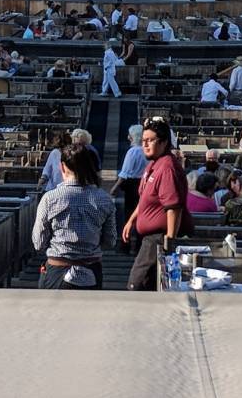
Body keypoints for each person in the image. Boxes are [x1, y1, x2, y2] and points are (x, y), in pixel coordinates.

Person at [34, 142, 118, 289]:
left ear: (62, 167)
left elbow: (39, 242)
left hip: (56, 271)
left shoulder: (50, 198)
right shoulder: (104, 199)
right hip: (91, 271)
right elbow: (110, 241)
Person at [122, 118, 189, 291]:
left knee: (136, 285)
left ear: (164, 142)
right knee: (144, 285)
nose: (145, 144)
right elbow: (146, 198)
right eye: (143, 141)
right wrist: (132, 220)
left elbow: (174, 207)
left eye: (150, 140)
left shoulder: (167, 167)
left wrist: (169, 241)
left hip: (158, 239)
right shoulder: (154, 164)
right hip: (149, 238)